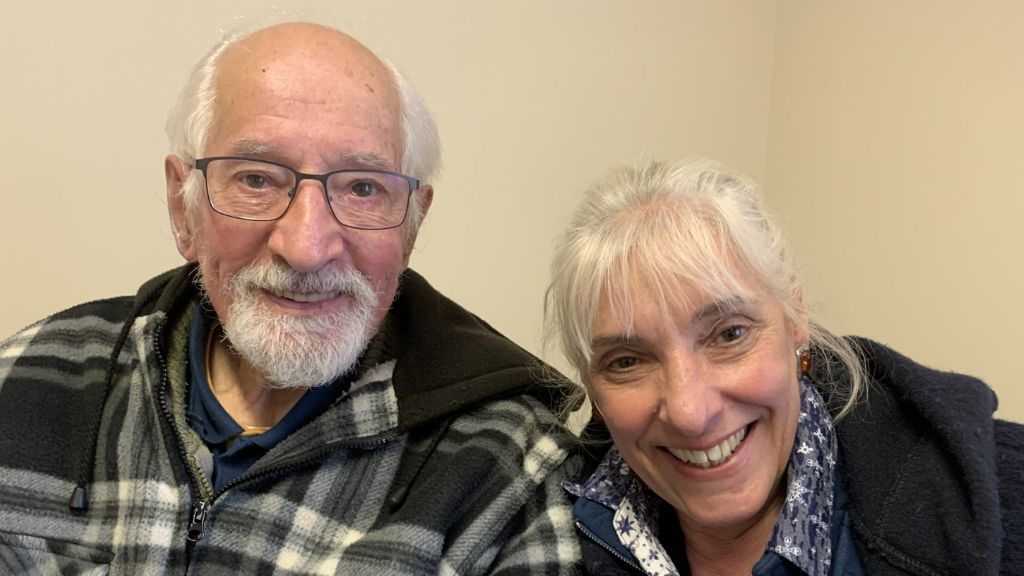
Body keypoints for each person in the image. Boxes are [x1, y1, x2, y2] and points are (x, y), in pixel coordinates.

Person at [0, 23, 583, 575]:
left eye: (362, 188)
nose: (306, 248)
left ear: (411, 225)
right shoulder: (28, 379)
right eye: (256, 178)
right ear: (185, 209)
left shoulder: (507, 468)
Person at [545, 158, 1024, 575]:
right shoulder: (542, 535)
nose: (691, 412)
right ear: (591, 384)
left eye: (729, 334)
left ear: (795, 316)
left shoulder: (1006, 493)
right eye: (627, 361)